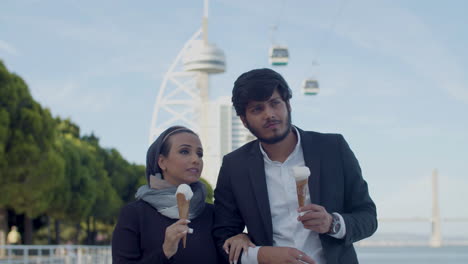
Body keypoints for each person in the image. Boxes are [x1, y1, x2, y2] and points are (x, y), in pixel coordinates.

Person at [213, 68, 378, 264]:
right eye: (257, 109)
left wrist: (332, 224)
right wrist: (261, 254)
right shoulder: (234, 166)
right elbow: (223, 236)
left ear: (288, 105)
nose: (269, 114)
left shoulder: (333, 149)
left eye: (275, 103)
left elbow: (368, 218)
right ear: (244, 120)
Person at [112, 125, 252, 263]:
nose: (196, 159)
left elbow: (229, 253)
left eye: (199, 154)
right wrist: (165, 252)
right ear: (162, 161)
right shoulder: (134, 214)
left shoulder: (214, 213)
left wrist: (242, 237)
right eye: (185, 151)